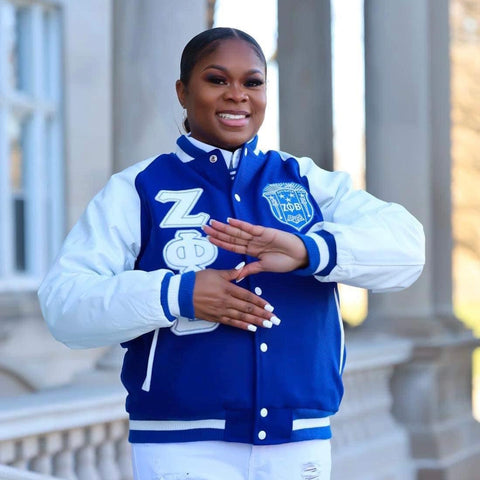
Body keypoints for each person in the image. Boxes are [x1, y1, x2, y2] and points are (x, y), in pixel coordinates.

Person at [38, 27, 425, 480]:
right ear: (183, 91)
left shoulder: (306, 181)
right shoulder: (138, 188)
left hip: (299, 442)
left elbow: (408, 250)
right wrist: (178, 294)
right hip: (181, 448)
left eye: (253, 82)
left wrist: (308, 250)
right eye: (217, 80)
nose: (237, 95)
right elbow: (64, 306)